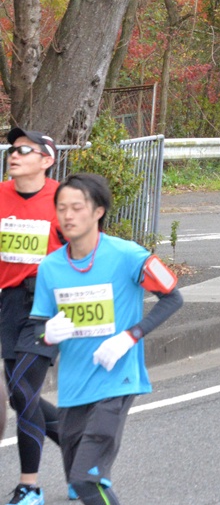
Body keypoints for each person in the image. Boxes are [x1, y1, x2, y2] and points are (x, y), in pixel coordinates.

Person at [32, 173, 183, 505]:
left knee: (88, 480)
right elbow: (38, 327)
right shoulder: (50, 268)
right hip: (73, 389)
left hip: (118, 380)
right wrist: (47, 334)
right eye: (61, 208)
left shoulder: (129, 255)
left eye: (77, 207)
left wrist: (130, 337)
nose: (68, 216)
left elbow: (173, 297)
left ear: (98, 211)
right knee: (77, 481)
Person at [0, 129, 62, 505]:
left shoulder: (64, 198)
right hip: (9, 303)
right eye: (12, 149)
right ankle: (80, 449)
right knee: (23, 396)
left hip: (48, 305)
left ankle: (30, 486)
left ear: (46, 160)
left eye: (25, 149)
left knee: (22, 390)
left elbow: (86, 250)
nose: (15, 154)